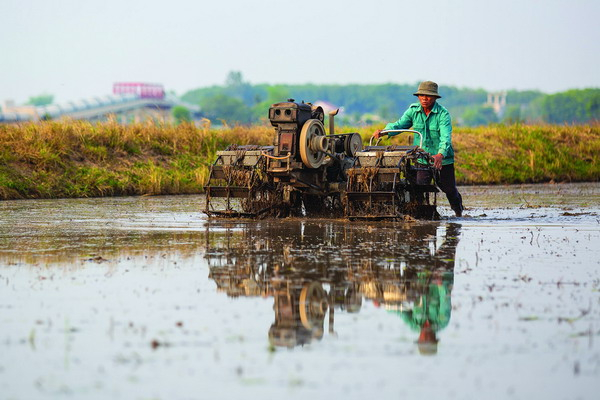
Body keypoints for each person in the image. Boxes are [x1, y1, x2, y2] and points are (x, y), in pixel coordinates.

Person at [373, 81, 464, 217]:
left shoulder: (443, 114)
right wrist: (385, 131)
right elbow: (399, 125)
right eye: (421, 96)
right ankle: (420, 214)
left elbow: (446, 138)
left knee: (449, 189)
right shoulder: (413, 111)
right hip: (422, 158)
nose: (424, 99)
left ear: (434, 98)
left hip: (442, 160)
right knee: (419, 187)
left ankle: (458, 212)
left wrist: (440, 154)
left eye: (428, 96)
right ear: (418, 97)